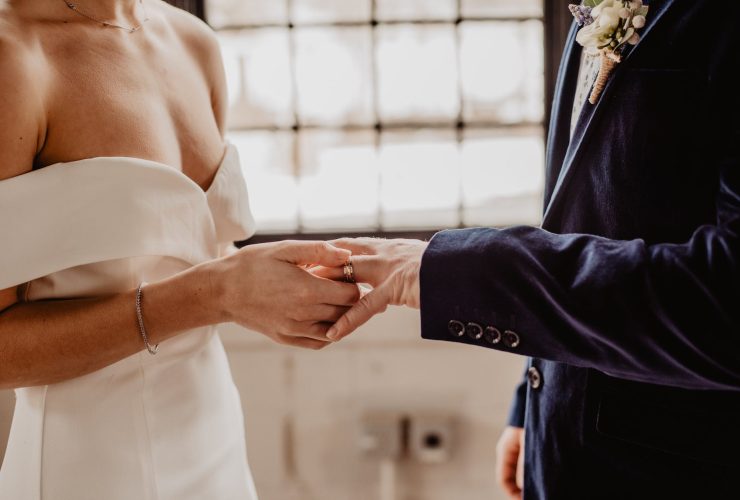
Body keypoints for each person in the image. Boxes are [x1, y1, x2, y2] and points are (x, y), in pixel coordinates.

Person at [323, 1, 740, 498]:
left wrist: (448, 270)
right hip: (566, 439)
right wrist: (534, 395)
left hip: (679, 466)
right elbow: (587, 211)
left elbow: (727, 297)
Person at [0, 1, 359, 499]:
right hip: (90, 466)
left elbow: (197, 249)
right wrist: (215, 294)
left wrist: (284, 287)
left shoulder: (194, 42)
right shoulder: (13, 56)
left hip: (214, 438)